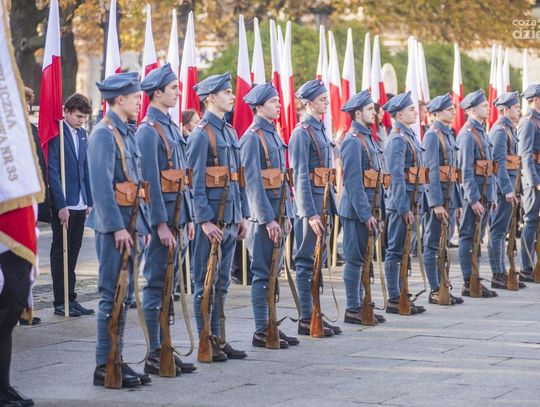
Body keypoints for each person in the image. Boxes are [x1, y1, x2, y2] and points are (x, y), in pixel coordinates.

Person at [87, 72, 152, 388]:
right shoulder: (104, 133)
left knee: (123, 296)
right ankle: (105, 364)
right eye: (135, 96)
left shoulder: (126, 132)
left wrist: (143, 224)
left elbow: (136, 184)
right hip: (115, 228)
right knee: (111, 294)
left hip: (131, 224)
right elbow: (101, 187)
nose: (140, 101)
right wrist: (116, 228)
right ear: (120, 99)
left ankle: (117, 358)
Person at [135, 64, 197, 376]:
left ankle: (166, 347)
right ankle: (154, 352)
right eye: (173, 88)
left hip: (178, 218)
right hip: (164, 222)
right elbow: (150, 183)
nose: (178, 92)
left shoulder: (170, 127)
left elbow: (182, 178)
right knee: (156, 285)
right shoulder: (148, 130)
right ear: (157, 92)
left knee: (168, 286)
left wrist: (189, 217)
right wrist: (159, 224)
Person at [187, 72, 249, 362]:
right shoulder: (201, 133)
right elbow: (194, 181)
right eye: (226, 92)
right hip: (212, 222)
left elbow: (237, 178)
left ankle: (219, 338)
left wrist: (242, 215)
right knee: (205, 284)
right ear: (210, 97)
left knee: (222, 283)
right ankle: (205, 340)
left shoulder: (230, 131)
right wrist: (204, 220)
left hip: (230, 219)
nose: (232, 96)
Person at [239, 82, 298, 349]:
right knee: (263, 274)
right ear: (259, 106)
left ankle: (271, 323)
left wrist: (286, 215)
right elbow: (252, 182)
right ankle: (262, 329)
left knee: (273, 272)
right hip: (263, 219)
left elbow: (282, 179)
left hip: (278, 214)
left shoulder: (272, 133)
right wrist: (267, 219)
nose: (278, 105)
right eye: (273, 102)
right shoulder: (252, 137)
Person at [289, 79, 341, 336]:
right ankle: (306, 317)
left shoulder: (319, 128)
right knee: (305, 260)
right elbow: (300, 175)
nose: (326, 102)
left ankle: (315, 314)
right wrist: (309, 213)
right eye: (321, 99)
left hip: (323, 201)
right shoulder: (302, 132)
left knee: (318, 260)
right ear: (309, 103)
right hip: (310, 205)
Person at [339, 90, 386, 324]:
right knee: (355, 260)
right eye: (369, 109)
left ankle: (362, 305)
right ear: (357, 113)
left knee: (363, 260)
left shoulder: (367, 137)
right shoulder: (352, 141)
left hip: (368, 209)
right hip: (356, 211)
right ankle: (352, 308)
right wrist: (365, 214)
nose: (374, 112)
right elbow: (353, 182)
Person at [48, 93, 94, 317]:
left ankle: (71, 298)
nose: (81, 121)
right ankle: (60, 301)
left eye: (84, 117)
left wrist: (89, 200)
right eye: (78, 116)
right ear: (66, 112)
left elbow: (85, 168)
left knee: (74, 251)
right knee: (61, 252)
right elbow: (53, 171)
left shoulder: (83, 134)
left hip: (80, 201)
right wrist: (61, 204)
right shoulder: (57, 133)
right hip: (64, 202)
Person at [382, 91, 427, 315]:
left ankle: (402, 294)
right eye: (410, 109)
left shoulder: (409, 136)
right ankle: (394, 297)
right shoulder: (398, 139)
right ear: (399, 115)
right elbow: (397, 176)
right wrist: (403, 207)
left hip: (411, 201)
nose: (415, 112)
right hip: (401, 203)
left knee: (404, 251)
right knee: (395, 251)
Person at [421, 93, 464, 305]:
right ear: (437, 113)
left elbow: (452, 172)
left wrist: (458, 202)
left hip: (450, 197)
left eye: (453, 108)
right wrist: (436, 203)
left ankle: (443, 285)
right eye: (449, 109)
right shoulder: (432, 136)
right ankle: (435, 289)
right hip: (439, 199)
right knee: (432, 244)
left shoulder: (447, 134)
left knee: (443, 244)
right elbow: (431, 172)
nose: (454, 112)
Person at [456, 89, 497, 298]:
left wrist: (492, 195)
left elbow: (489, 167)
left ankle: (475, 278)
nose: (488, 108)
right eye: (484, 106)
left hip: (485, 194)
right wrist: (473, 199)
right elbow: (466, 171)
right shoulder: (467, 134)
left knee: (477, 238)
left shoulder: (481, 131)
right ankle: (468, 280)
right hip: (474, 196)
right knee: (468, 236)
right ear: (472, 110)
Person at [488, 92, 526, 289]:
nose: (519, 110)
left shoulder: (509, 129)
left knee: (503, 231)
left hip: (510, 187)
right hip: (503, 190)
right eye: (516, 107)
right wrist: (507, 190)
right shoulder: (500, 131)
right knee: (497, 231)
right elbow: (499, 165)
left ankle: (502, 272)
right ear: (505, 110)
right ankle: (498, 273)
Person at [518, 84, 540, 281]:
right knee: (531, 221)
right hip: (534, 178)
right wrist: (535, 182)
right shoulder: (528, 122)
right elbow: (525, 155)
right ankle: (526, 268)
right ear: (535, 99)